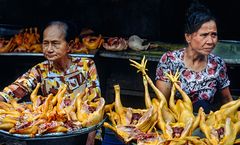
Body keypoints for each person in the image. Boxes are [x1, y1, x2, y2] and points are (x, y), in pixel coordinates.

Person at [0, 21, 102, 145]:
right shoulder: (40, 70)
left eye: (55, 44)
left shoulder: (86, 66)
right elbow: (17, 87)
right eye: (45, 43)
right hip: (51, 131)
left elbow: (95, 104)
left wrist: (91, 137)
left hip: (82, 132)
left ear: (69, 45)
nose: (49, 49)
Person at [155, 2, 233, 113]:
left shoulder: (217, 64)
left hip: (204, 123)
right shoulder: (170, 61)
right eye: (204, 35)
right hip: (175, 123)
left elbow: (227, 100)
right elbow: (161, 104)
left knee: (202, 105)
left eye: (214, 35)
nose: (210, 41)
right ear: (188, 37)